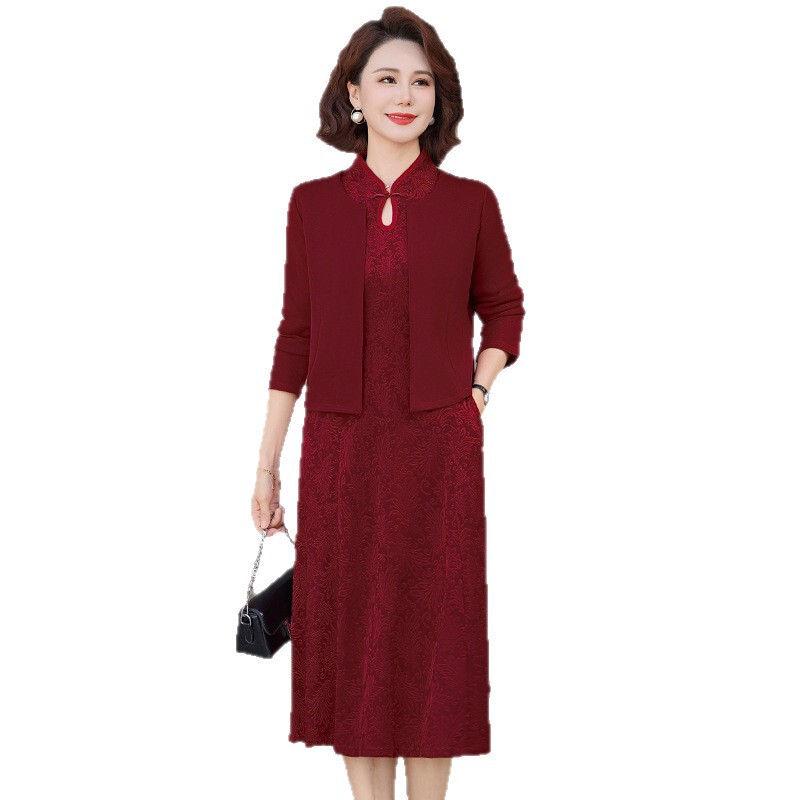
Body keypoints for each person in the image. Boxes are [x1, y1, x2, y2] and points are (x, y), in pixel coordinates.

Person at [251, 8, 525, 800]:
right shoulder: (311, 205)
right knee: (355, 643)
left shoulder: (471, 202)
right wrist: (267, 465)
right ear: (354, 94)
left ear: (439, 100)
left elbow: (504, 308)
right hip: (341, 455)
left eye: (421, 82)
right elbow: (295, 337)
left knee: (433, 640)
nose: (405, 96)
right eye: (387, 79)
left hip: (439, 453)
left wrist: (476, 393)